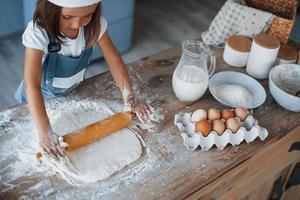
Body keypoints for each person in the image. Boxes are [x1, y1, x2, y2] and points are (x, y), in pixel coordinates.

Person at [15, 0, 152, 160]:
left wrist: (129, 96)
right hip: (39, 100)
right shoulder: (39, 32)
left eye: (88, 15)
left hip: (74, 90)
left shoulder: (95, 26)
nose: (77, 24)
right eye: (68, 16)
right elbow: (32, 84)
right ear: (50, 9)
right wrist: (45, 131)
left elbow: (114, 60)